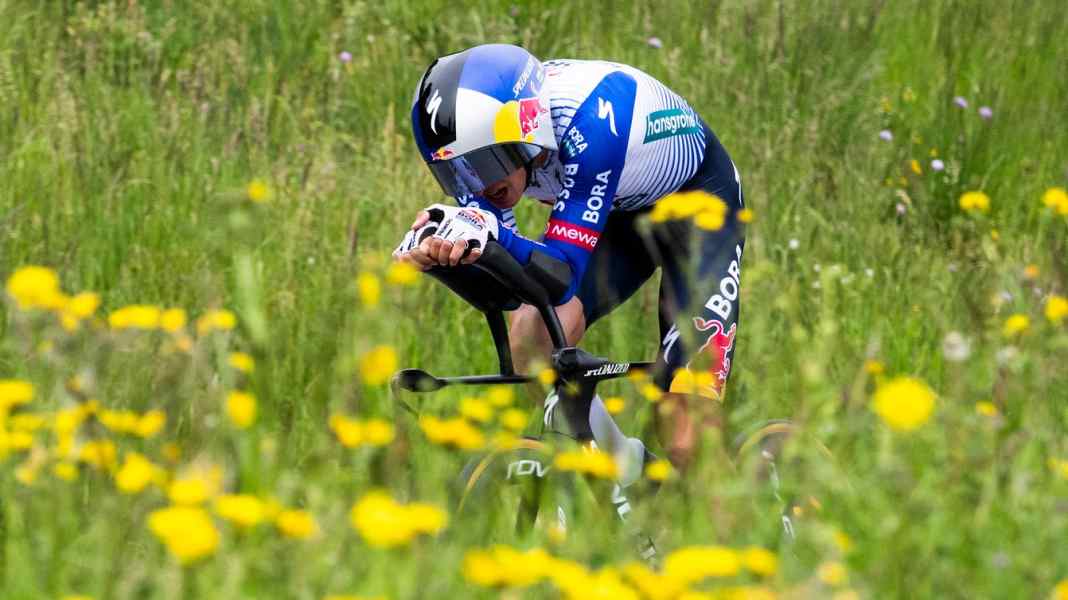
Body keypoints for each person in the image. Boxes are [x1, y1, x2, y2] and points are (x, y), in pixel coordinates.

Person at [394, 44, 745, 472]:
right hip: (615, 213)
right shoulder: (481, 147)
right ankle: (627, 479)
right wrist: (445, 254)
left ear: (528, 128)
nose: (476, 185)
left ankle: (752, 529)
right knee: (531, 335)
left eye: (484, 164)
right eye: (456, 173)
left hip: (699, 210)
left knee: (685, 434)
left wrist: (491, 234)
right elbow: (510, 291)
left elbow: (560, 275)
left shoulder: (592, 121)